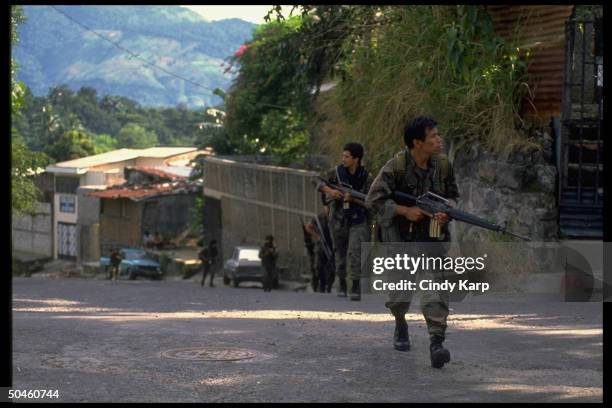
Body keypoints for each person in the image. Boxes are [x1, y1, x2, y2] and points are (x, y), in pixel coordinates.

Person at [366, 116, 459, 369]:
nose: (439, 140)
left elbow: (453, 197)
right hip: (400, 239)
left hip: (431, 237)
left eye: (438, 135)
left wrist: (446, 210)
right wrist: (404, 211)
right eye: (434, 136)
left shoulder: (443, 165)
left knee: (435, 288)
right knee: (399, 296)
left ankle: (436, 343)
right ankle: (400, 323)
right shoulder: (395, 167)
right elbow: (373, 199)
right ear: (417, 143)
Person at [316, 142, 372, 301]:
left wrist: (353, 199)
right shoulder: (336, 173)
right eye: (343, 156)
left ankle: (355, 286)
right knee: (339, 253)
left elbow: (371, 201)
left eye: (347, 156)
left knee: (355, 252)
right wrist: (331, 191)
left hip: (358, 219)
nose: (343, 159)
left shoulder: (366, 177)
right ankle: (341, 283)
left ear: (356, 159)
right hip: (338, 219)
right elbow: (317, 181)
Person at [305, 205, 335, 293]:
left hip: (332, 245)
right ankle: (322, 285)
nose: (328, 210)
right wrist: (317, 236)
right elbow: (308, 227)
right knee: (319, 266)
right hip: (321, 246)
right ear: (324, 207)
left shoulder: (334, 216)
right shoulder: (317, 218)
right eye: (327, 207)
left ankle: (329, 286)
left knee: (332, 266)